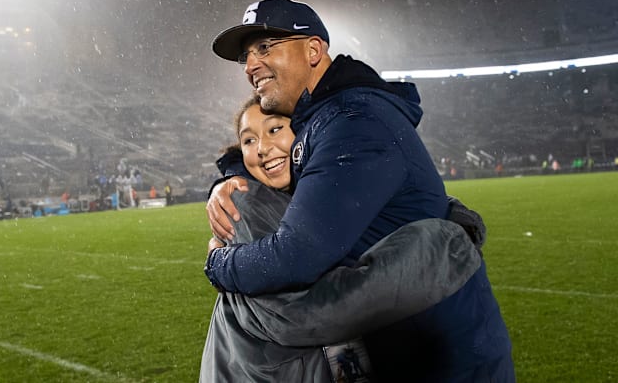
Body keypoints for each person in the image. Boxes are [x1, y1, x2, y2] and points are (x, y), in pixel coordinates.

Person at [205, 0, 513, 382]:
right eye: (246, 56)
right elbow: (287, 165)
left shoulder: (351, 121)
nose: (250, 65)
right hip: (410, 344)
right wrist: (231, 176)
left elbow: (295, 257)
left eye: (265, 47)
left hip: (440, 359)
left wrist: (218, 263)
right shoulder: (327, 118)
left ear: (314, 50)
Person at [201, 97, 484, 382]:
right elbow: (304, 312)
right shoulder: (242, 202)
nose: (262, 148)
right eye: (248, 140)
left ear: (304, 133)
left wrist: (447, 209)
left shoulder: (307, 194)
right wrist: (451, 243)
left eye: (274, 130)